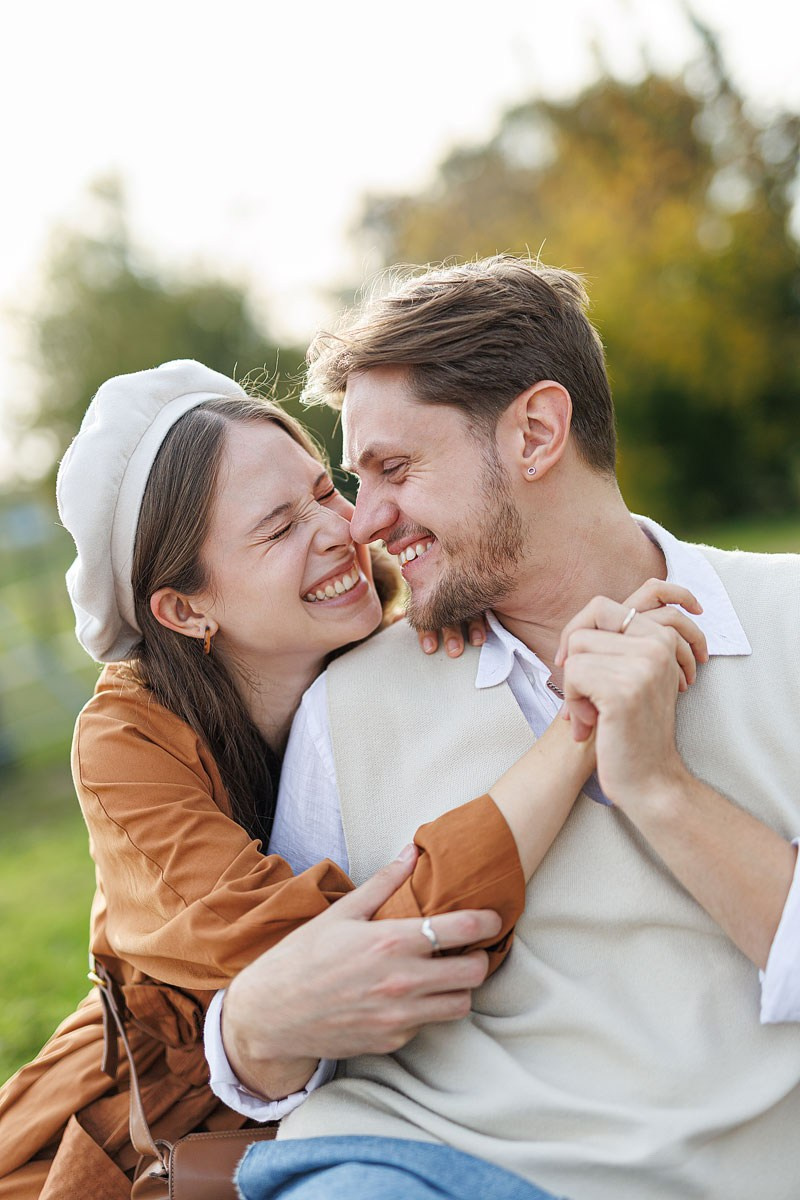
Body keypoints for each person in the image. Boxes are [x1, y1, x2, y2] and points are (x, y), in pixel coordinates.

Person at [0, 359, 695, 1198]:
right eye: (277, 527)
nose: (343, 527)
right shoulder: (127, 742)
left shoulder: (409, 628)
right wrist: (578, 728)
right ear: (185, 609)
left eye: (324, 491)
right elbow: (348, 956)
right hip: (164, 1123)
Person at [214, 257, 800, 1200]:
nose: (365, 522)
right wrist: (249, 1030)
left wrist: (659, 787)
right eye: (359, 480)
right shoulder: (346, 707)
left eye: (396, 469)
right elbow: (289, 1036)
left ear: (535, 433)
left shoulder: (790, 623)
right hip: (416, 1167)